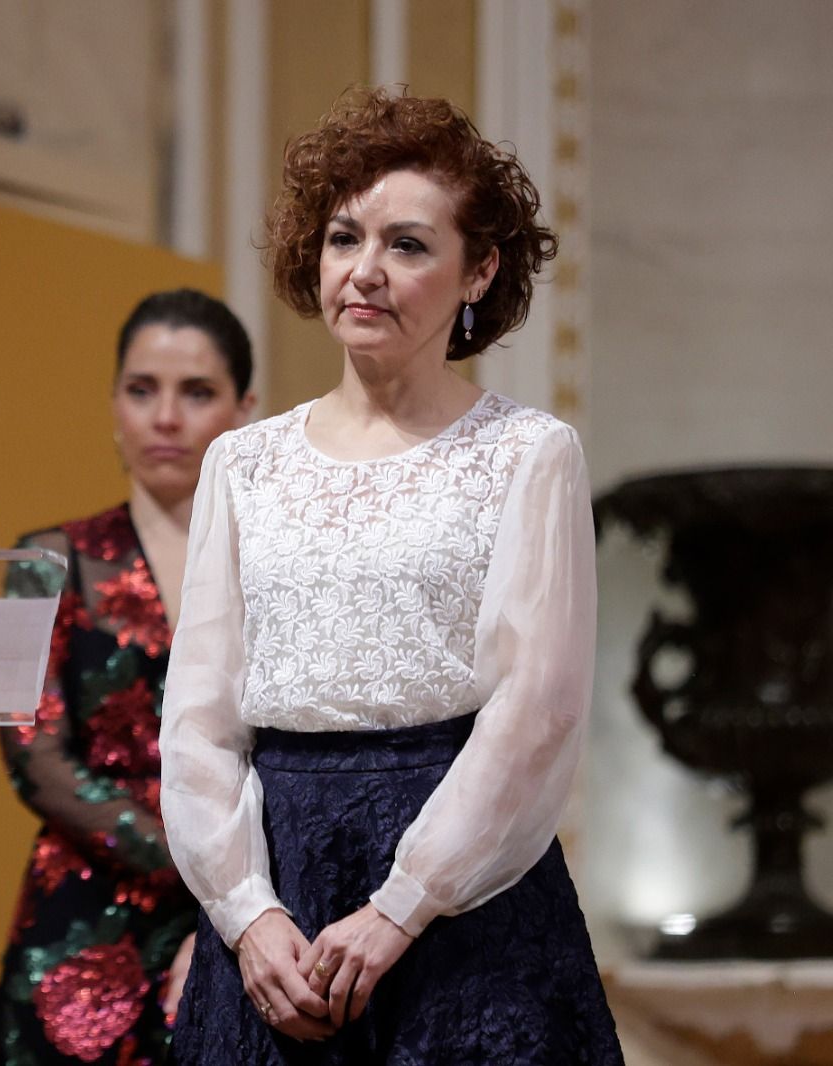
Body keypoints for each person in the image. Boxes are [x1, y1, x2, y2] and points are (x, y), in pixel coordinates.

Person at [159, 89, 624, 1063]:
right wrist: (245, 915)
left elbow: (534, 713)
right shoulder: (243, 464)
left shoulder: (528, 453)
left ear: (478, 269)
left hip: (467, 900)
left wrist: (402, 905)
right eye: (342, 238)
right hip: (275, 899)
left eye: (407, 245)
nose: (363, 272)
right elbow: (198, 722)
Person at [0, 290, 258, 1065]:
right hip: (84, 918)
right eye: (142, 390)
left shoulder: (280, 567)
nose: (166, 418)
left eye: (197, 392)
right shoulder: (46, 560)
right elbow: (35, 758)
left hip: (253, 922)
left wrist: (237, 892)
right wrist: (204, 866)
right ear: (114, 405)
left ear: (244, 411)